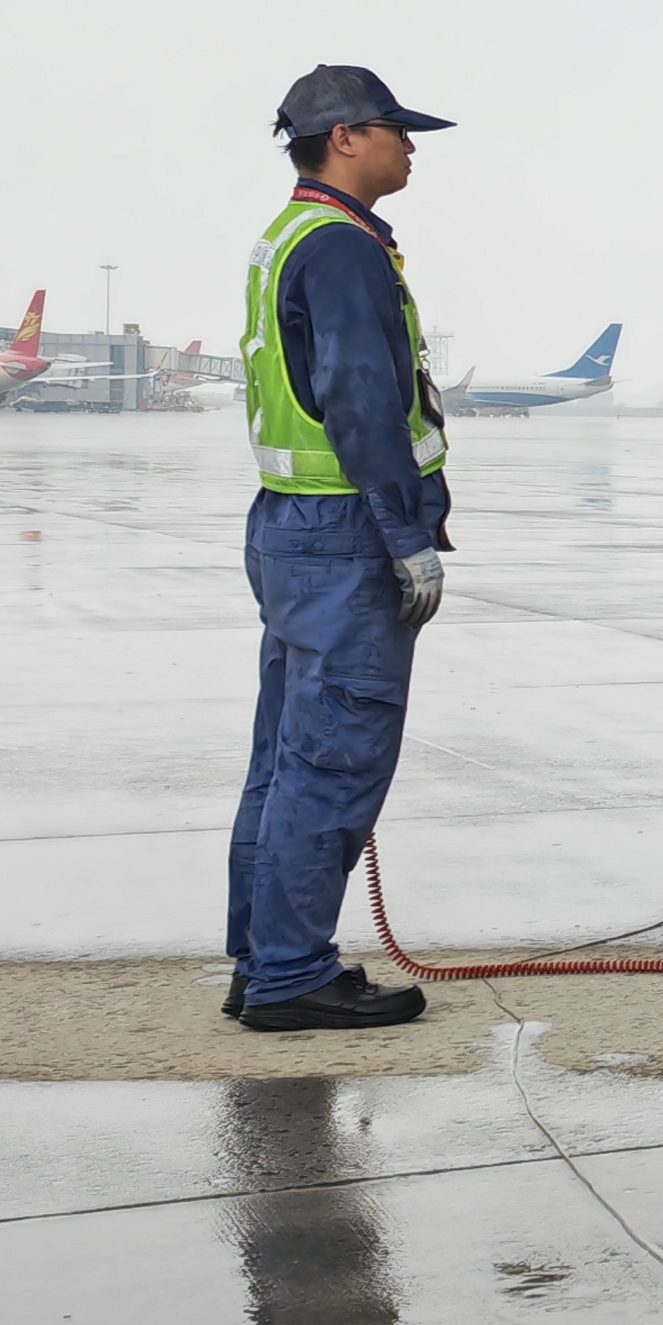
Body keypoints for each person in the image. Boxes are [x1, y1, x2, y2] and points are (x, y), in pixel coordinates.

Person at [224, 67, 455, 1030]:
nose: (411, 146)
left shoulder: (291, 238)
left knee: (285, 758)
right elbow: (362, 401)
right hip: (343, 530)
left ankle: (267, 958)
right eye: (397, 131)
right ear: (347, 137)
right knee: (333, 757)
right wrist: (408, 537)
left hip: (291, 524)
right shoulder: (342, 249)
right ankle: (287, 976)